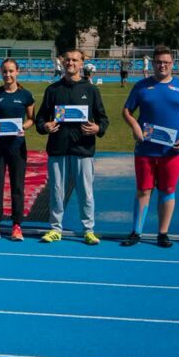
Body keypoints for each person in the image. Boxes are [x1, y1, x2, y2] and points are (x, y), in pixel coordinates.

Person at [120, 46, 179, 248]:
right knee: (143, 190)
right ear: (153, 63)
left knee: (167, 191)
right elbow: (127, 111)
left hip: (172, 151)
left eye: (166, 62)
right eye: (158, 62)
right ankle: (136, 232)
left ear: (172, 63)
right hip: (145, 150)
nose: (162, 65)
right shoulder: (141, 86)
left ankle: (163, 233)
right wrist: (135, 127)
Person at [35, 49, 109, 245]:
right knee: (57, 191)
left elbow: (103, 119)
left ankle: (88, 229)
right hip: (58, 148)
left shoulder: (91, 90)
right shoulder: (53, 90)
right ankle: (55, 229)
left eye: (75, 60)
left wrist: (97, 128)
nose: (71, 63)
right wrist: (45, 126)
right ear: (62, 62)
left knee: (86, 192)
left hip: (83, 149)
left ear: (82, 63)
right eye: (67, 60)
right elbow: (40, 119)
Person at [0, 59, 35, 241]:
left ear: (17, 72)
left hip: (17, 147)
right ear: (1, 72)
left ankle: (16, 225)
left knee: (17, 187)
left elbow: (31, 119)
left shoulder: (26, 96)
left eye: (11, 71)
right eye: (5, 71)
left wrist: (24, 127)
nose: (8, 75)